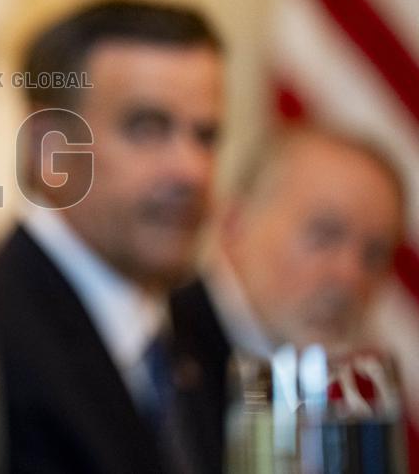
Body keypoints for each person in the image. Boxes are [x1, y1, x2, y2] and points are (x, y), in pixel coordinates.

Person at [0, 0, 226, 473]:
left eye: (206, 136)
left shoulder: (200, 336)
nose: (191, 171)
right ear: (49, 149)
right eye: (147, 128)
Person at [172, 125, 407, 467]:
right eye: (325, 234)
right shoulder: (160, 355)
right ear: (234, 223)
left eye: (374, 254)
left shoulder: (337, 395)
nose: (350, 276)